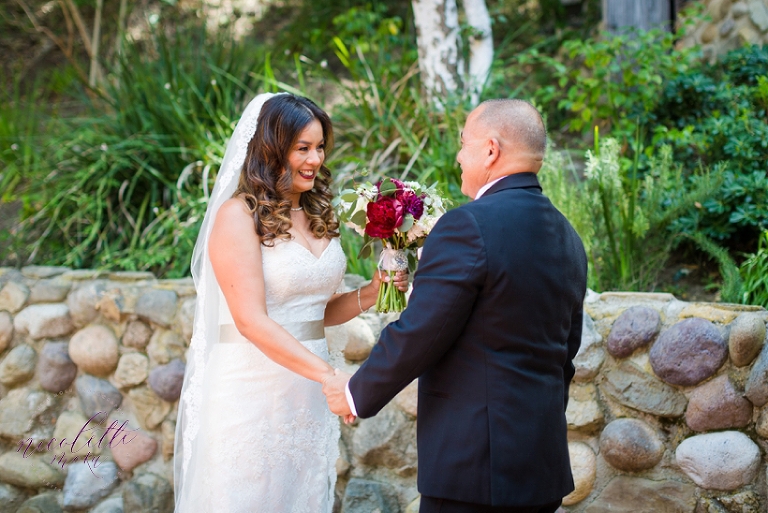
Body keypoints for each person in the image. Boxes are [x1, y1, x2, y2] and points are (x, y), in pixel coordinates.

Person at [323, 99, 588, 513]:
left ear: (490, 150)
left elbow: (422, 331)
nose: (458, 156)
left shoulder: (468, 225)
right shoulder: (567, 237)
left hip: (474, 469)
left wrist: (355, 392)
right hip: (541, 463)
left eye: (464, 143)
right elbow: (564, 353)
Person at [173, 92, 407, 513]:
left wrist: (372, 292)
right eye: (302, 148)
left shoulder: (318, 212)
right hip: (252, 386)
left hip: (307, 392)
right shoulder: (237, 216)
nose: (315, 159)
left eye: (319, 147)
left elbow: (314, 312)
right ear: (271, 149)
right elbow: (250, 320)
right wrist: (331, 376)